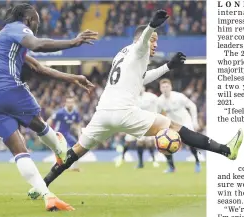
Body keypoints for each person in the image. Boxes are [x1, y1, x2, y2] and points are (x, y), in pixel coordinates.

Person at [28, 10, 243, 199]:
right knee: (176, 128)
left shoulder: (123, 54)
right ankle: (226, 150)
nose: (155, 44)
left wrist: (167, 66)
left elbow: (140, 78)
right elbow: (143, 41)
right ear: (142, 39)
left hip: (103, 114)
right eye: (154, 40)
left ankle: (41, 185)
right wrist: (152, 26)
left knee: (74, 153)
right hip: (124, 112)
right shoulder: (138, 48)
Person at [0, 3, 97, 212]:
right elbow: (37, 44)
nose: (37, 25)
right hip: (7, 88)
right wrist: (74, 42)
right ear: (28, 18)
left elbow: (38, 67)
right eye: (36, 21)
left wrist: (72, 77)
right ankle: (60, 148)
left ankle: (47, 196)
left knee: (19, 151)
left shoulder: (4, 41)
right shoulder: (16, 28)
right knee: (38, 122)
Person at [157, 78, 201, 173]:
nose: (165, 88)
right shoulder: (159, 101)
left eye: (167, 86)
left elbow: (192, 106)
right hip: (172, 125)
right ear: (160, 89)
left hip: (186, 122)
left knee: (191, 143)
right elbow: (156, 115)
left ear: (171, 87)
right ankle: (172, 167)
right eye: (163, 87)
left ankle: (197, 162)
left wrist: (195, 121)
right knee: (164, 144)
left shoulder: (178, 96)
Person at [115, 87, 159, 168]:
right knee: (128, 141)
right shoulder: (133, 98)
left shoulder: (151, 97)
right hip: (135, 124)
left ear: (144, 87)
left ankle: (150, 161)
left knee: (145, 142)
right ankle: (123, 158)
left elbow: (160, 103)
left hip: (147, 123)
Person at [48, 96, 81, 172]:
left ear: (74, 103)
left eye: (71, 102)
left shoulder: (75, 113)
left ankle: (74, 167)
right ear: (66, 103)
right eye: (68, 102)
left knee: (78, 147)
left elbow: (78, 124)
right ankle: (54, 167)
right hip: (58, 134)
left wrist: (79, 133)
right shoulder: (60, 112)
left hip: (67, 134)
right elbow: (50, 120)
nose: (70, 104)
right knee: (61, 151)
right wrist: (47, 132)